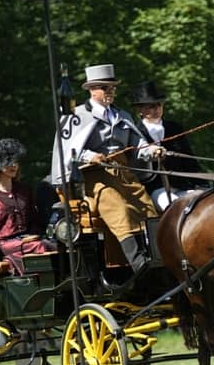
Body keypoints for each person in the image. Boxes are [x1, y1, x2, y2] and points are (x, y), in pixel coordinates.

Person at [50, 64, 158, 279]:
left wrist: (151, 150)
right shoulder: (77, 116)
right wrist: (90, 156)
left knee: (148, 209)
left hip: (124, 174)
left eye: (112, 88)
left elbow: (137, 144)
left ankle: (157, 258)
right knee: (118, 208)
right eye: (105, 88)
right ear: (92, 90)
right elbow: (68, 150)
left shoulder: (122, 115)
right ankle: (138, 263)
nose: (110, 92)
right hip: (93, 177)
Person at [0, 138, 55, 274]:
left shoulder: (25, 190)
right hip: (5, 243)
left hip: (29, 239)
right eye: (9, 162)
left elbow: (33, 217)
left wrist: (39, 232)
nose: (14, 165)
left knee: (55, 245)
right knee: (40, 247)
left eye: (15, 161)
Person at [131, 80, 204, 212]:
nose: (157, 109)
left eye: (159, 105)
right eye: (151, 106)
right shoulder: (136, 133)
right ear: (140, 109)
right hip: (155, 189)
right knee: (175, 208)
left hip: (182, 186)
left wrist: (201, 184)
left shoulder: (175, 128)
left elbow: (190, 160)